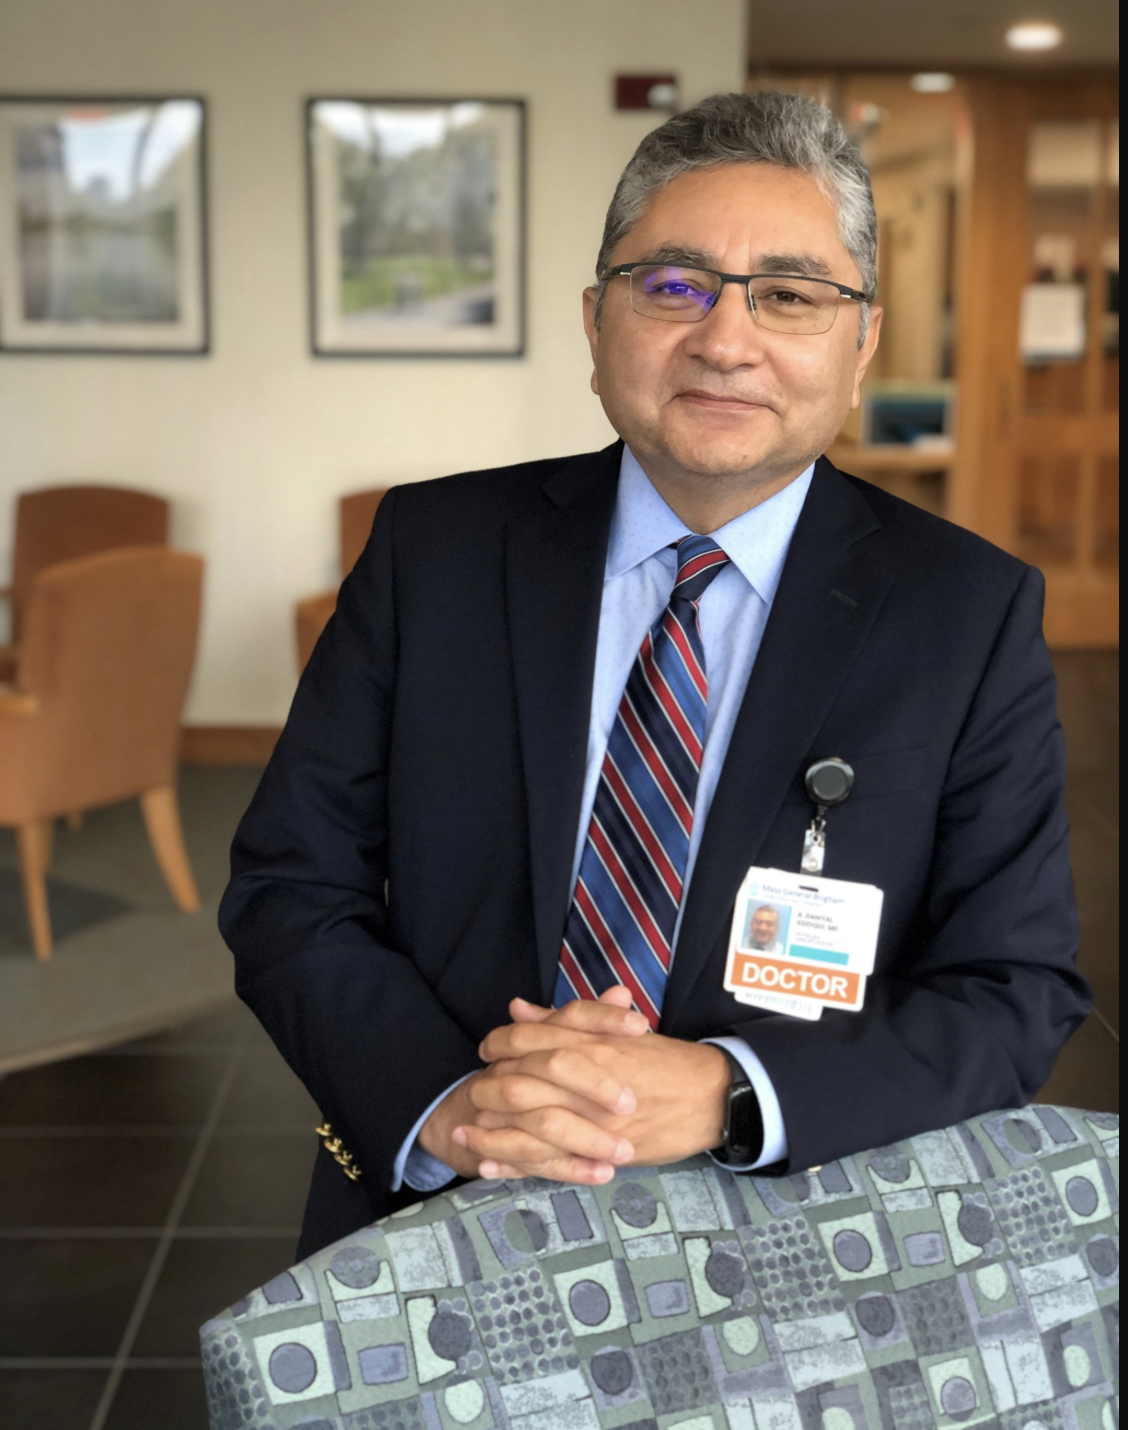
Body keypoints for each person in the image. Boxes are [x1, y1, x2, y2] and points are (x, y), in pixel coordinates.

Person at [219, 91, 1089, 1259]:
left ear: (863, 342)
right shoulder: (434, 552)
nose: (726, 340)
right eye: (674, 285)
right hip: (436, 1220)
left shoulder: (965, 610)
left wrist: (731, 1090)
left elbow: (1012, 984)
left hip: (795, 1240)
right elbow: (292, 882)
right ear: (596, 322)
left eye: (790, 295)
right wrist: (448, 1102)